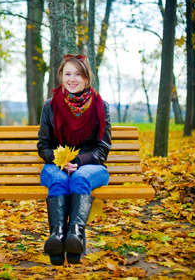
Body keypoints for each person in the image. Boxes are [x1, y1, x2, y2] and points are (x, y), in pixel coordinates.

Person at [37, 54, 111, 265]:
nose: (72, 79)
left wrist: (78, 161)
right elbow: (43, 145)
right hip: (56, 165)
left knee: (80, 179)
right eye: (68, 74)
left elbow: (102, 148)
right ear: (61, 76)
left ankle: (74, 236)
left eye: (78, 74)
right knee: (59, 180)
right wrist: (59, 159)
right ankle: (57, 237)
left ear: (87, 78)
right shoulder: (50, 106)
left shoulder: (100, 105)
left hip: (91, 165)